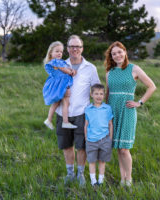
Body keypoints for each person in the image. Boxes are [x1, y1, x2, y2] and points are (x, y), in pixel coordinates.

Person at [105, 41, 156, 186]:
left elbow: (152, 87)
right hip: (112, 111)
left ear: (125, 52)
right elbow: (108, 94)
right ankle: (122, 178)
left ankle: (129, 178)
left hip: (127, 110)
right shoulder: (110, 73)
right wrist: (104, 112)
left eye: (119, 52)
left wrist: (139, 103)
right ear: (111, 56)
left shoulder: (134, 69)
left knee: (124, 148)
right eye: (114, 53)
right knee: (118, 148)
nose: (117, 55)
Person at [55, 35, 100, 186]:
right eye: (72, 46)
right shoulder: (60, 65)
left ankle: (80, 174)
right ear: (67, 49)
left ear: (82, 48)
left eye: (78, 46)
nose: (75, 49)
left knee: (82, 146)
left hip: (83, 113)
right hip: (63, 113)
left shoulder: (90, 68)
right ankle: (70, 174)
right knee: (67, 145)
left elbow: (96, 90)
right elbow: (52, 85)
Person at [42, 41, 78, 130]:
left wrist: (72, 71)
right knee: (66, 101)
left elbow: (67, 68)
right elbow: (64, 70)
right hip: (60, 85)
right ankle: (65, 122)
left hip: (60, 85)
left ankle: (49, 120)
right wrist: (70, 72)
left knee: (58, 103)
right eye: (57, 51)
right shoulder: (55, 62)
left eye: (61, 52)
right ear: (51, 52)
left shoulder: (60, 62)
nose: (59, 53)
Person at [84, 84, 113, 186]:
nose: (99, 96)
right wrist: (86, 137)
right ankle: (93, 181)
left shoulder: (107, 108)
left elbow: (110, 124)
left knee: (102, 160)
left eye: (101, 94)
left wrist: (110, 138)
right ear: (91, 94)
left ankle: (101, 180)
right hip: (91, 140)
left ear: (104, 95)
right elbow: (86, 125)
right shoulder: (88, 109)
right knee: (92, 161)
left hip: (104, 139)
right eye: (96, 93)